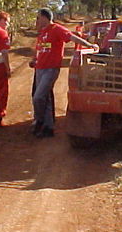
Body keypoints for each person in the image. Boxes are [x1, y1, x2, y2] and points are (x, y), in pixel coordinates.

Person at [29, 8, 99, 138]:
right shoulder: (42, 32)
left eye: (39, 17)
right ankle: (48, 128)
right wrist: (34, 60)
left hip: (51, 69)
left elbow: (72, 37)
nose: (37, 20)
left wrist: (89, 45)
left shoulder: (57, 29)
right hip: (39, 68)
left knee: (38, 97)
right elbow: (40, 48)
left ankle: (39, 120)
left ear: (45, 17)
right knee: (46, 98)